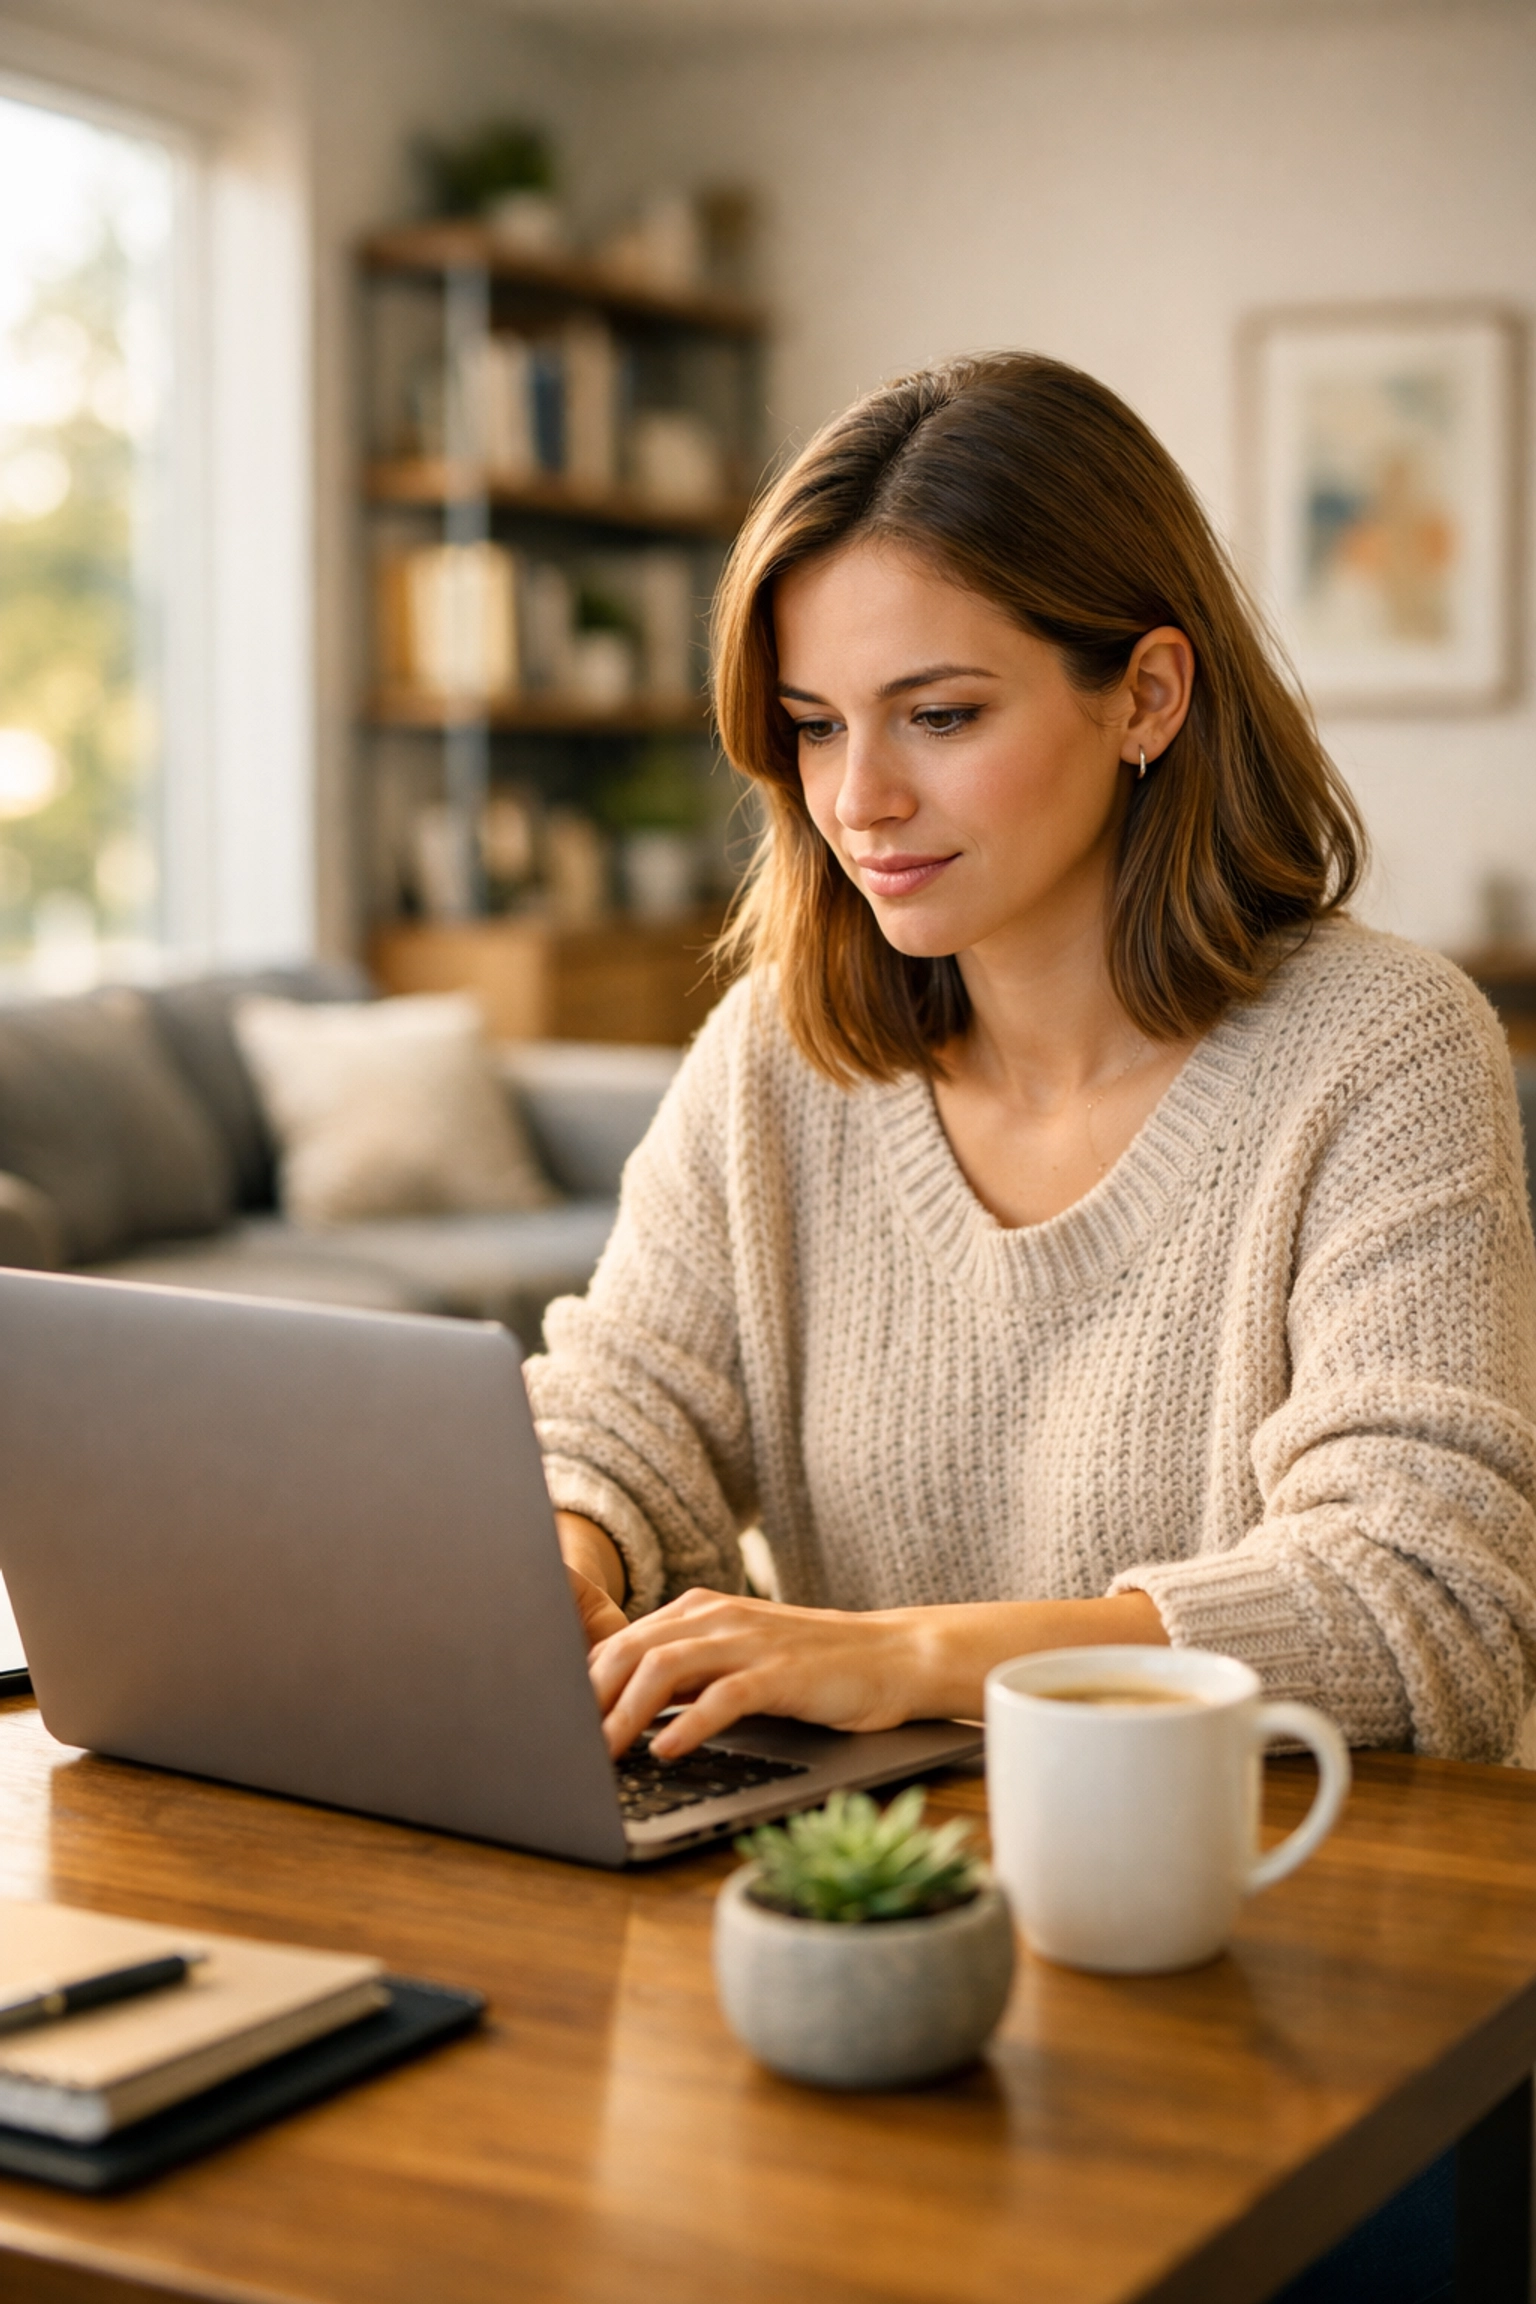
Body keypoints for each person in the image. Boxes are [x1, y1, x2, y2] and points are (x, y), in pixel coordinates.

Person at [527, 350, 1536, 1786]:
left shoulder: (1382, 1049)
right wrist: (566, 1548)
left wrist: (904, 1659)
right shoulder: (776, 1056)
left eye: (940, 715)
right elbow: (621, 1410)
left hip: (1270, 1902)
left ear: (1148, 697)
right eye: (816, 726)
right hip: (876, 1901)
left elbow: (1425, 1600)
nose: (858, 801)